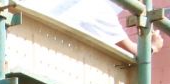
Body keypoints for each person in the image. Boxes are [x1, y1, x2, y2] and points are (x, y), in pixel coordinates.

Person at [24, 0, 163, 54]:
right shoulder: (99, 8)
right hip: (35, 52)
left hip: (17, 40)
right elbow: (137, 52)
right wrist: (153, 46)